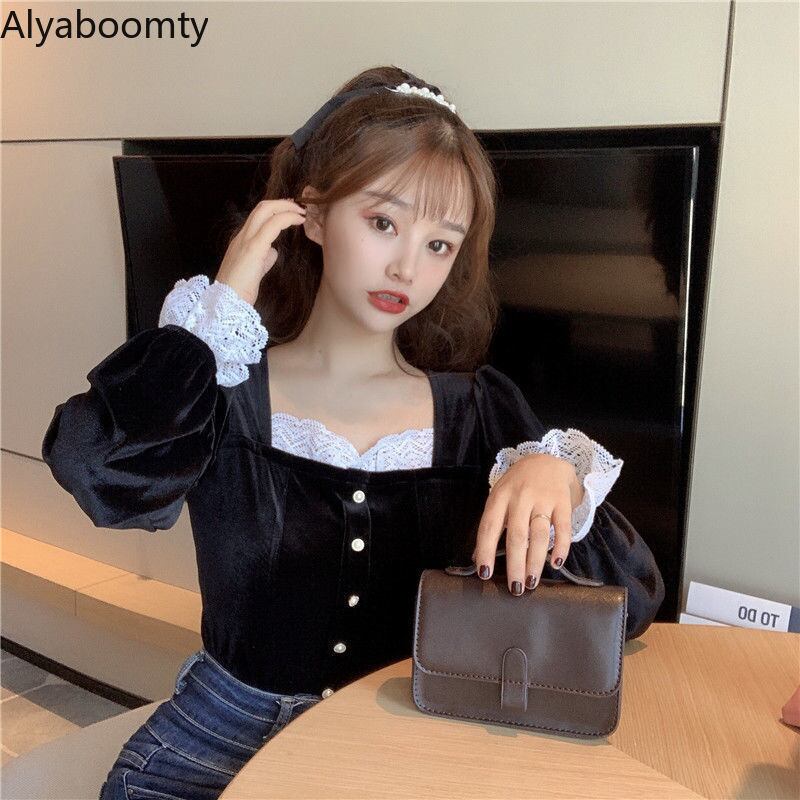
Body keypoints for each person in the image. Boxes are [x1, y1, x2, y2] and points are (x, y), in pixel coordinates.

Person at [41, 65, 665, 800]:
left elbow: (630, 605)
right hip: (211, 751)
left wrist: (561, 476)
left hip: (399, 752)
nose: (407, 266)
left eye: (440, 244)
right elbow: (99, 472)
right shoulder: (222, 392)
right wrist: (217, 313)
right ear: (311, 214)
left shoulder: (480, 413)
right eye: (383, 223)